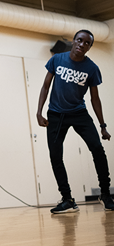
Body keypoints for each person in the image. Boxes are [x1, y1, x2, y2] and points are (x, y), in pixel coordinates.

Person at [37, 30, 114, 213]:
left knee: (97, 149)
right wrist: (39, 113)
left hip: (79, 113)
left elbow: (95, 98)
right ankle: (67, 199)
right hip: (55, 114)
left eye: (87, 43)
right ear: (73, 41)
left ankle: (105, 194)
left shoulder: (92, 68)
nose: (82, 44)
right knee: (55, 156)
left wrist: (103, 126)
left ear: (89, 47)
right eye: (79, 40)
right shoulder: (57, 60)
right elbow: (46, 85)